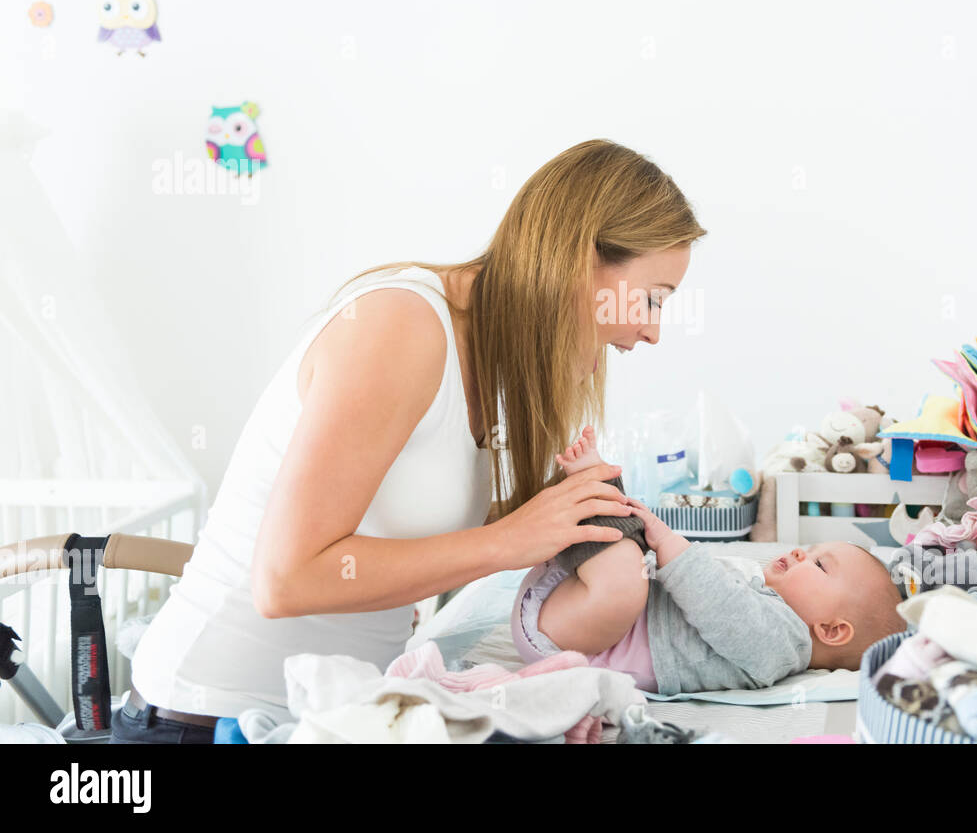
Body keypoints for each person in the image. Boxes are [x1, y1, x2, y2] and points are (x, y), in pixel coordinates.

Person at [115, 139, 706, 741]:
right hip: (204, 717)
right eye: (653, 298)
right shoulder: (401, 326)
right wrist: (509, 539)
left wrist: (564, 521)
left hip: (340, 715)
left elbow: (415, 526)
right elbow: (285, 580)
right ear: (582, 258)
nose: (653, 331)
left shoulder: (505, 367)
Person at [509, 425, 908, 695]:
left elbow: (718, 602)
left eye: (820, 565)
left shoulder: (783, 646)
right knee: (629, 562)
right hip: (577, 599)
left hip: (571, 636)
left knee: (626, 579)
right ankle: (593, 496)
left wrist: (666, 540)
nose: (803, 552)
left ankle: (594, 488)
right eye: (814, 551)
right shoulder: (770, 602)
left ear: (832, 630)